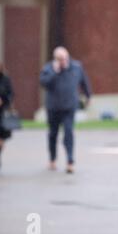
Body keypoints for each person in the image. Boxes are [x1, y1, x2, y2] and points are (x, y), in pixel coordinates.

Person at [39, 46, 91, 174]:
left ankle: (70, 161)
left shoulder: (76, 67)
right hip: (53, 107)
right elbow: (43, 83)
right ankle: (52, 159)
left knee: (68, 133)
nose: (62, 61)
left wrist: (88, 95)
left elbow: (84, 82)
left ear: (67, 57)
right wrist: (54, 71)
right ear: (55, 59)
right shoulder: (48, 68)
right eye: (59, 59)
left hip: (69, 107)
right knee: (53, 134)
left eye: (63, 58)